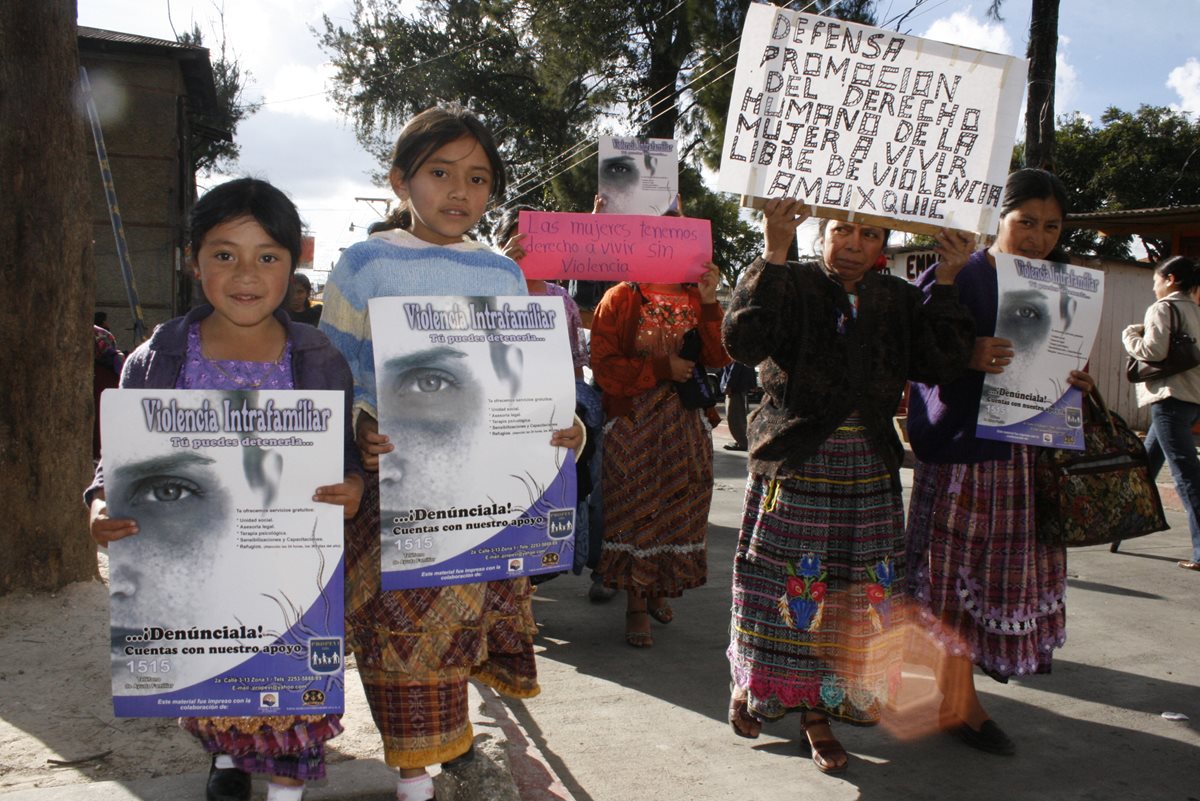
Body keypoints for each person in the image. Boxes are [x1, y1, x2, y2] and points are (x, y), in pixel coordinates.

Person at [318, 105, 581, 801]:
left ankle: (441, 758)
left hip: (480, 492)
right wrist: (358, 433)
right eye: (440, 173)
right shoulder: (365, 264)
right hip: (393, 489)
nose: (460, 192)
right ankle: (416, 776)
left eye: (478, 178)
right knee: (400, 633)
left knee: (455, 630)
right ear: (400, 180)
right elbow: (331, 374)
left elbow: (525, 378)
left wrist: (563, 426)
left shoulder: (499, 274)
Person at [86, 178, 364, 801]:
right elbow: (121, 459)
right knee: (216, 688)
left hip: (291, 571)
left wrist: (352, 487)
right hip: (198, 572)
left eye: (267, 256)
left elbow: (345, 461)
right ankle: (229, 762)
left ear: (295, 265)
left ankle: (282, 791)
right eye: (224, 254)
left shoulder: (318, 360)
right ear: (193, 262)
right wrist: (102, 504)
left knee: (293, 700)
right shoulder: (157, 360)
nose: (246, 273)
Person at [721, 199, 974, 774]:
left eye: (868, 233)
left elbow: (943, 361)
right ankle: (757, 686)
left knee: (856, 596)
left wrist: (951, 278)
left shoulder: (898, 299)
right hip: (796, 459)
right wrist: (774, 250)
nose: (853, 243)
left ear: (883, 242)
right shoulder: (790, 281)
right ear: (823, 231)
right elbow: (743, 344)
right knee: (781, 582)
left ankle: (819, 712)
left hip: (868, 468)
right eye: (842, 230)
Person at [905, 168, 1096, 756]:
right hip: (966, 454)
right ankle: (957, 702)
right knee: (949, 578)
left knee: (995, 581)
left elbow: (1053, 366)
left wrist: (1076, 385)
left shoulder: (1064, 288)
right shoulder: (957, 275)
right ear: (1000, 218)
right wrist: (967, 354)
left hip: (1027, 457)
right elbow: (913, 353)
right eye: (1026, 221)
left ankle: (955, 687)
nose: (1038, 236)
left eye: (1052, 226)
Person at [588, 198, 728, 648]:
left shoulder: (695, 296)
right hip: (633, 426)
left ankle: (657, 590)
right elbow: (603, 366)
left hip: (686, 428)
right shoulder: (621, 297)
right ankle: (634, 601)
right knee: (634, 511)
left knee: (676, 510)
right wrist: (660, 369)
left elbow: (719, 357)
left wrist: (709, 303)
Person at [1122, 255, 1200, 571]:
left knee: (1186, 476)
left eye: (1155, 278)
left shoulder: (1162, 308)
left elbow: (1153, 352)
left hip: (1169, 402)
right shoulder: (1196, 311)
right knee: (1145, 467)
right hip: (1191, 402)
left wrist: (1129, 335)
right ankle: (1120, 529)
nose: (1153, 285)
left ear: (1170, 279)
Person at [719, 361, 756, 451]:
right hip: (739, 386)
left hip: (735, 388)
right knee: (739, 416)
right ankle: (742, 440)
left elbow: (736, 366)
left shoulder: (734, 349)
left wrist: (729, 384)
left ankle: (742, 443)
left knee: (734, 416)